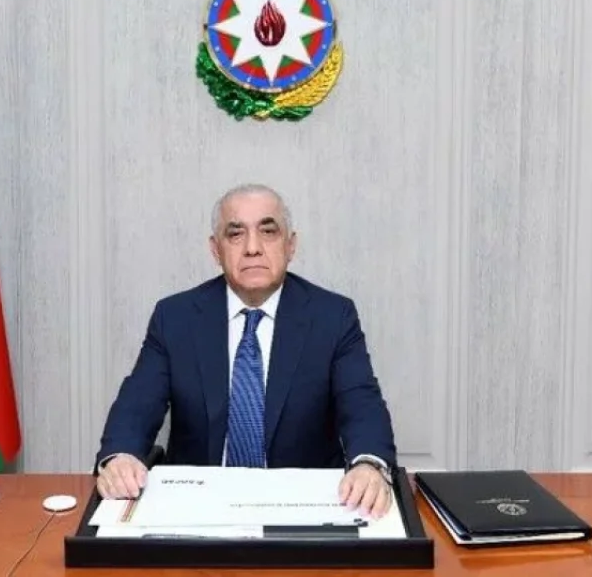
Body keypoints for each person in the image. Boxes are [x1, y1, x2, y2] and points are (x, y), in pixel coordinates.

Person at [94, 184, 398, 518]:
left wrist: (369, 464)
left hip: (301, 508)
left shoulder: (333, 317)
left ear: (291, 245)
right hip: (198, 508)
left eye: (268, 231)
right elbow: (138, 402)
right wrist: (120, 456)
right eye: (236, 234)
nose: (252, 248)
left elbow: (361, 403)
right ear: (216, 249)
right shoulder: (175, 317)